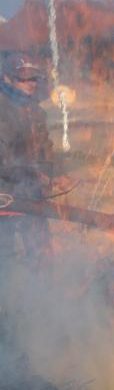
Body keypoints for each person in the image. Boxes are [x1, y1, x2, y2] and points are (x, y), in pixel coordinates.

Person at [0, 51, 53, 260]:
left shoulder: (35, 110)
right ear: (7, 78)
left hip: (31, 189)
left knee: (40, 250)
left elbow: (45, 145)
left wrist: (51, 172)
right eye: (24, 79)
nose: (31, 83)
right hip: (5, 191)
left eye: (34, 78)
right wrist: (31, 172)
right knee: (5, 252)